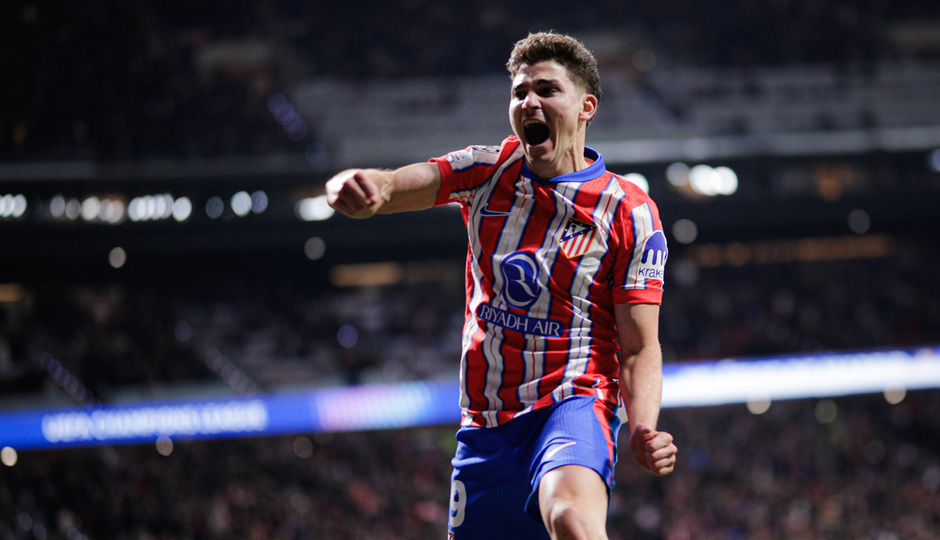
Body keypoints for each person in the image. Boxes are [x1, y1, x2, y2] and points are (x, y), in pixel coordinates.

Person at [326, 32, 678, 540]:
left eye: (546, 89)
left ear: (586, 106)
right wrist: (362, 187)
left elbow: (640, 345)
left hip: (573, 401)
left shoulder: (630, 211)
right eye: (519, 92)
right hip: (486, 424)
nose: (529, 101)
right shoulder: (486, 171)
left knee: (572, 518)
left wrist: (643, 426)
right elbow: (402, 183)